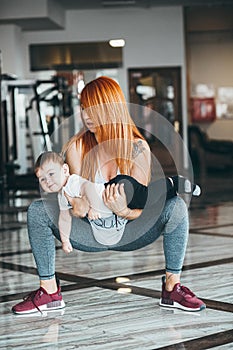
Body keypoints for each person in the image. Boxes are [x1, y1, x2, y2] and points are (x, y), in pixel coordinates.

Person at [12, 76, 206, 315]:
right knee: (37, 210)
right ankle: (49, 291)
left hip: (130, 230)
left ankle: (172, 288)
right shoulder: (77, 147)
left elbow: (142, 205)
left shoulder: (138, 148)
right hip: (91, 231)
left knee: (175, 206)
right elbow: (74, 197)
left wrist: (123, 210)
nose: (86, 115)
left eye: (93, 108)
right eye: (83, 108)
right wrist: (78, 206)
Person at [35, 151, 201, 254]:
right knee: (148, 199)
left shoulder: (72, 182)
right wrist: (65, 241)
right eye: (42, 179)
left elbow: (88, 188)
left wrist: (91, 206)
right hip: (113, 199)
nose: (47, 181)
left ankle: (174, 182)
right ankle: (173, 186)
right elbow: (64, 219)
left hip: (119, 188)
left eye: (51, 174)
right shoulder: (61, 196)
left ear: (65, 170)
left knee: (147, 198)